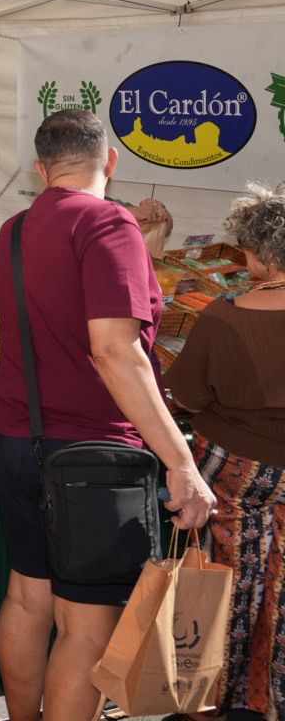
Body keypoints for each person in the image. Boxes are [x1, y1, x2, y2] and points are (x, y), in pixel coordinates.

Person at [0, 109, 214, 721]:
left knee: (28, 595)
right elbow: (115, 352)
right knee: (87, 624)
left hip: (14, 437)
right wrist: (181, 461)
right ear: (110, 160)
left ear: (41, 168)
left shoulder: (13, 228)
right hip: (91, 455)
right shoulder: (108, 223)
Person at [167, 183, 285, 721]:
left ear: (258, 255)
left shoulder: (224, 315)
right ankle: (268, 696)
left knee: (223, 584)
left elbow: (186, 396)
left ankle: (210, 699)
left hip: (234, 476)